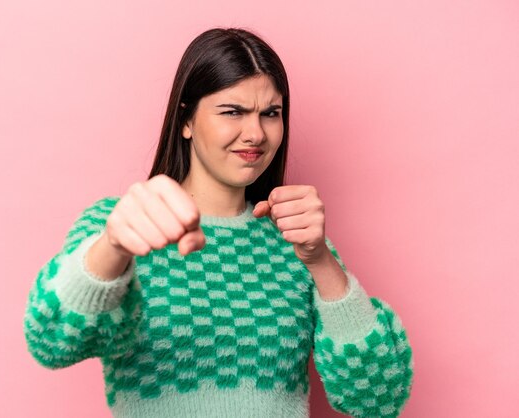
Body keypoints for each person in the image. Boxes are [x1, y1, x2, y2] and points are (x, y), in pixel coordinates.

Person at [23, 27, 414, 417]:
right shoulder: (124, 226)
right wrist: (113, 247)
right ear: (186, 121)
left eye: (271, 114)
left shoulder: (298, 242)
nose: (256, 133)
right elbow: (51, 342)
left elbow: (379, 397)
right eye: (232, 112)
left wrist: (321, 262)